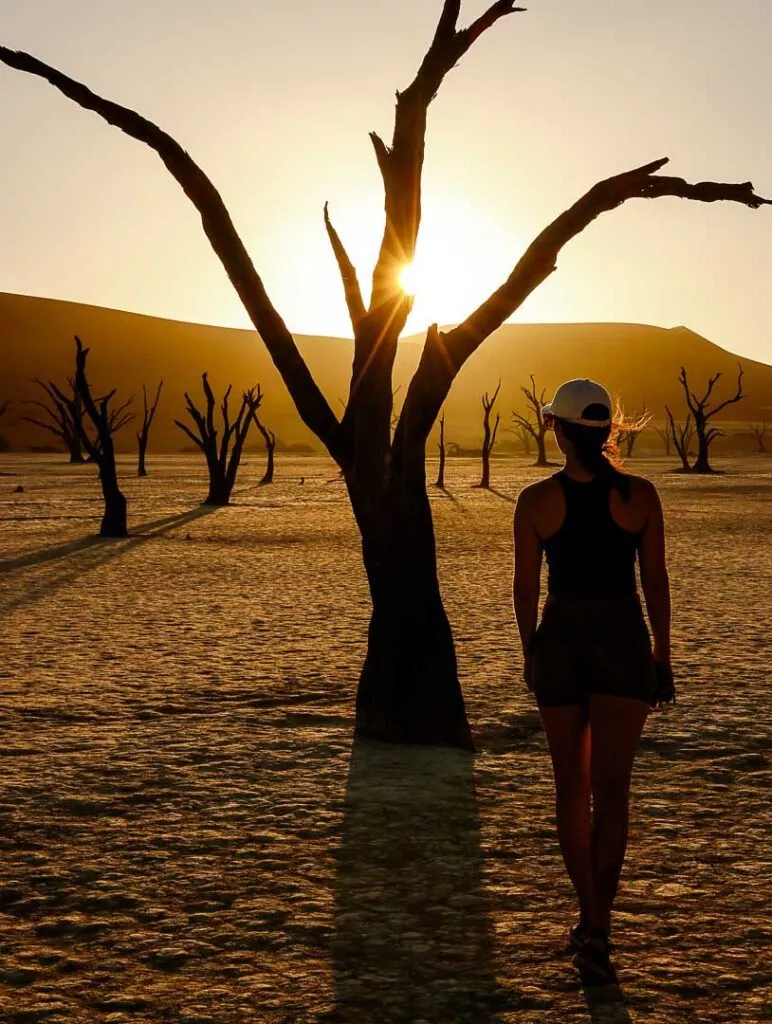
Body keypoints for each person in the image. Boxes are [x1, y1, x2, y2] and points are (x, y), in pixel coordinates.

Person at [512, 378, 674, 982]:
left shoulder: (536, 501)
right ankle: (599, 927)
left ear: (556, 429)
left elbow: (525, 589)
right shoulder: (641, 496)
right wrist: (663, 656)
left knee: (570, 792)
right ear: (605, 431)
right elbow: (654, 583)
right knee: (613, 794)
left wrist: (531, 652)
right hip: (623, 644)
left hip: (560, 645)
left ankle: (588, 917)